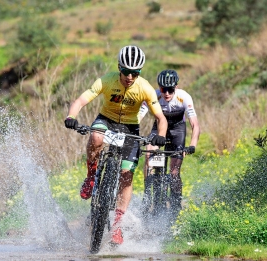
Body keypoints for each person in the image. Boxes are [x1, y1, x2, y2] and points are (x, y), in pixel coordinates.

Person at [64, 45, 168, 245]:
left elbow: (161, 118)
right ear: (119, 67)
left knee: (127, 175)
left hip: (130, 127)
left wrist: (161, 135)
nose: (130, 76)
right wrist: (71, 116)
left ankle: (118, 225)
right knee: (95, 137)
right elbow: (80, 100)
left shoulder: (144, 88)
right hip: (107, 119)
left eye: (135, 73)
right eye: (126, 71)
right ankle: (91, 177)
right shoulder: (106, 80)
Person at [138, 69, 200, 220]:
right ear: (159, 88)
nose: (166, 93)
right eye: (163, 89)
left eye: (170, 90)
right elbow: (138, 116)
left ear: (176, 87)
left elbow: (195, 125)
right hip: (159, 129)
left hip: (178, 130)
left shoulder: (184, 97)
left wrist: (192, 145)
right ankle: (148, 195)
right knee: (149, 154)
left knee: (174, 172)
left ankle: (176, 204)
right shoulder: (154, 95)